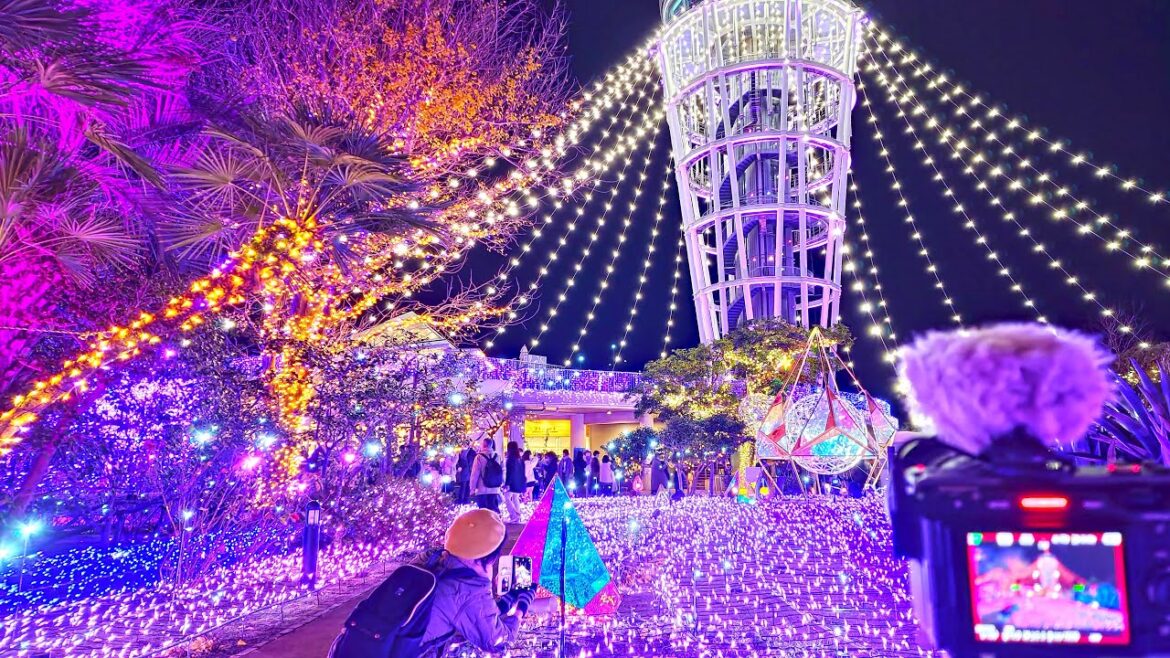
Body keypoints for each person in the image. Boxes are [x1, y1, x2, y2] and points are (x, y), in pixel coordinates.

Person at [418, 509, 534, 657]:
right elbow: (498, 642)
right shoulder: (467, 588)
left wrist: (508, 598)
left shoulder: (431, 559)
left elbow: (475, 615)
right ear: (491, 556)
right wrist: (521, 608)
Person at [469, 438, 503, 513]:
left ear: (483, 445)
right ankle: (496, 523)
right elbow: (501, 471)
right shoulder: (498, 456)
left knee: (483, 511)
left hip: (482, 488)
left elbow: (475, 474)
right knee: (493, 509)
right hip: (495, 488)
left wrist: (472, 489)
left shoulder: (479, 457)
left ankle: (486, 524)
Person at [503, 441, 526, 523]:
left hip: (512, 483)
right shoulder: (520, 459)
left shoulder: (510, 459)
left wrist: (507, 484)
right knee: (515, 498)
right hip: (519, 482)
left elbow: (510, 472)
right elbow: (523, 472)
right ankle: (517, 515)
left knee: (507, 498)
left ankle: (514, 515)